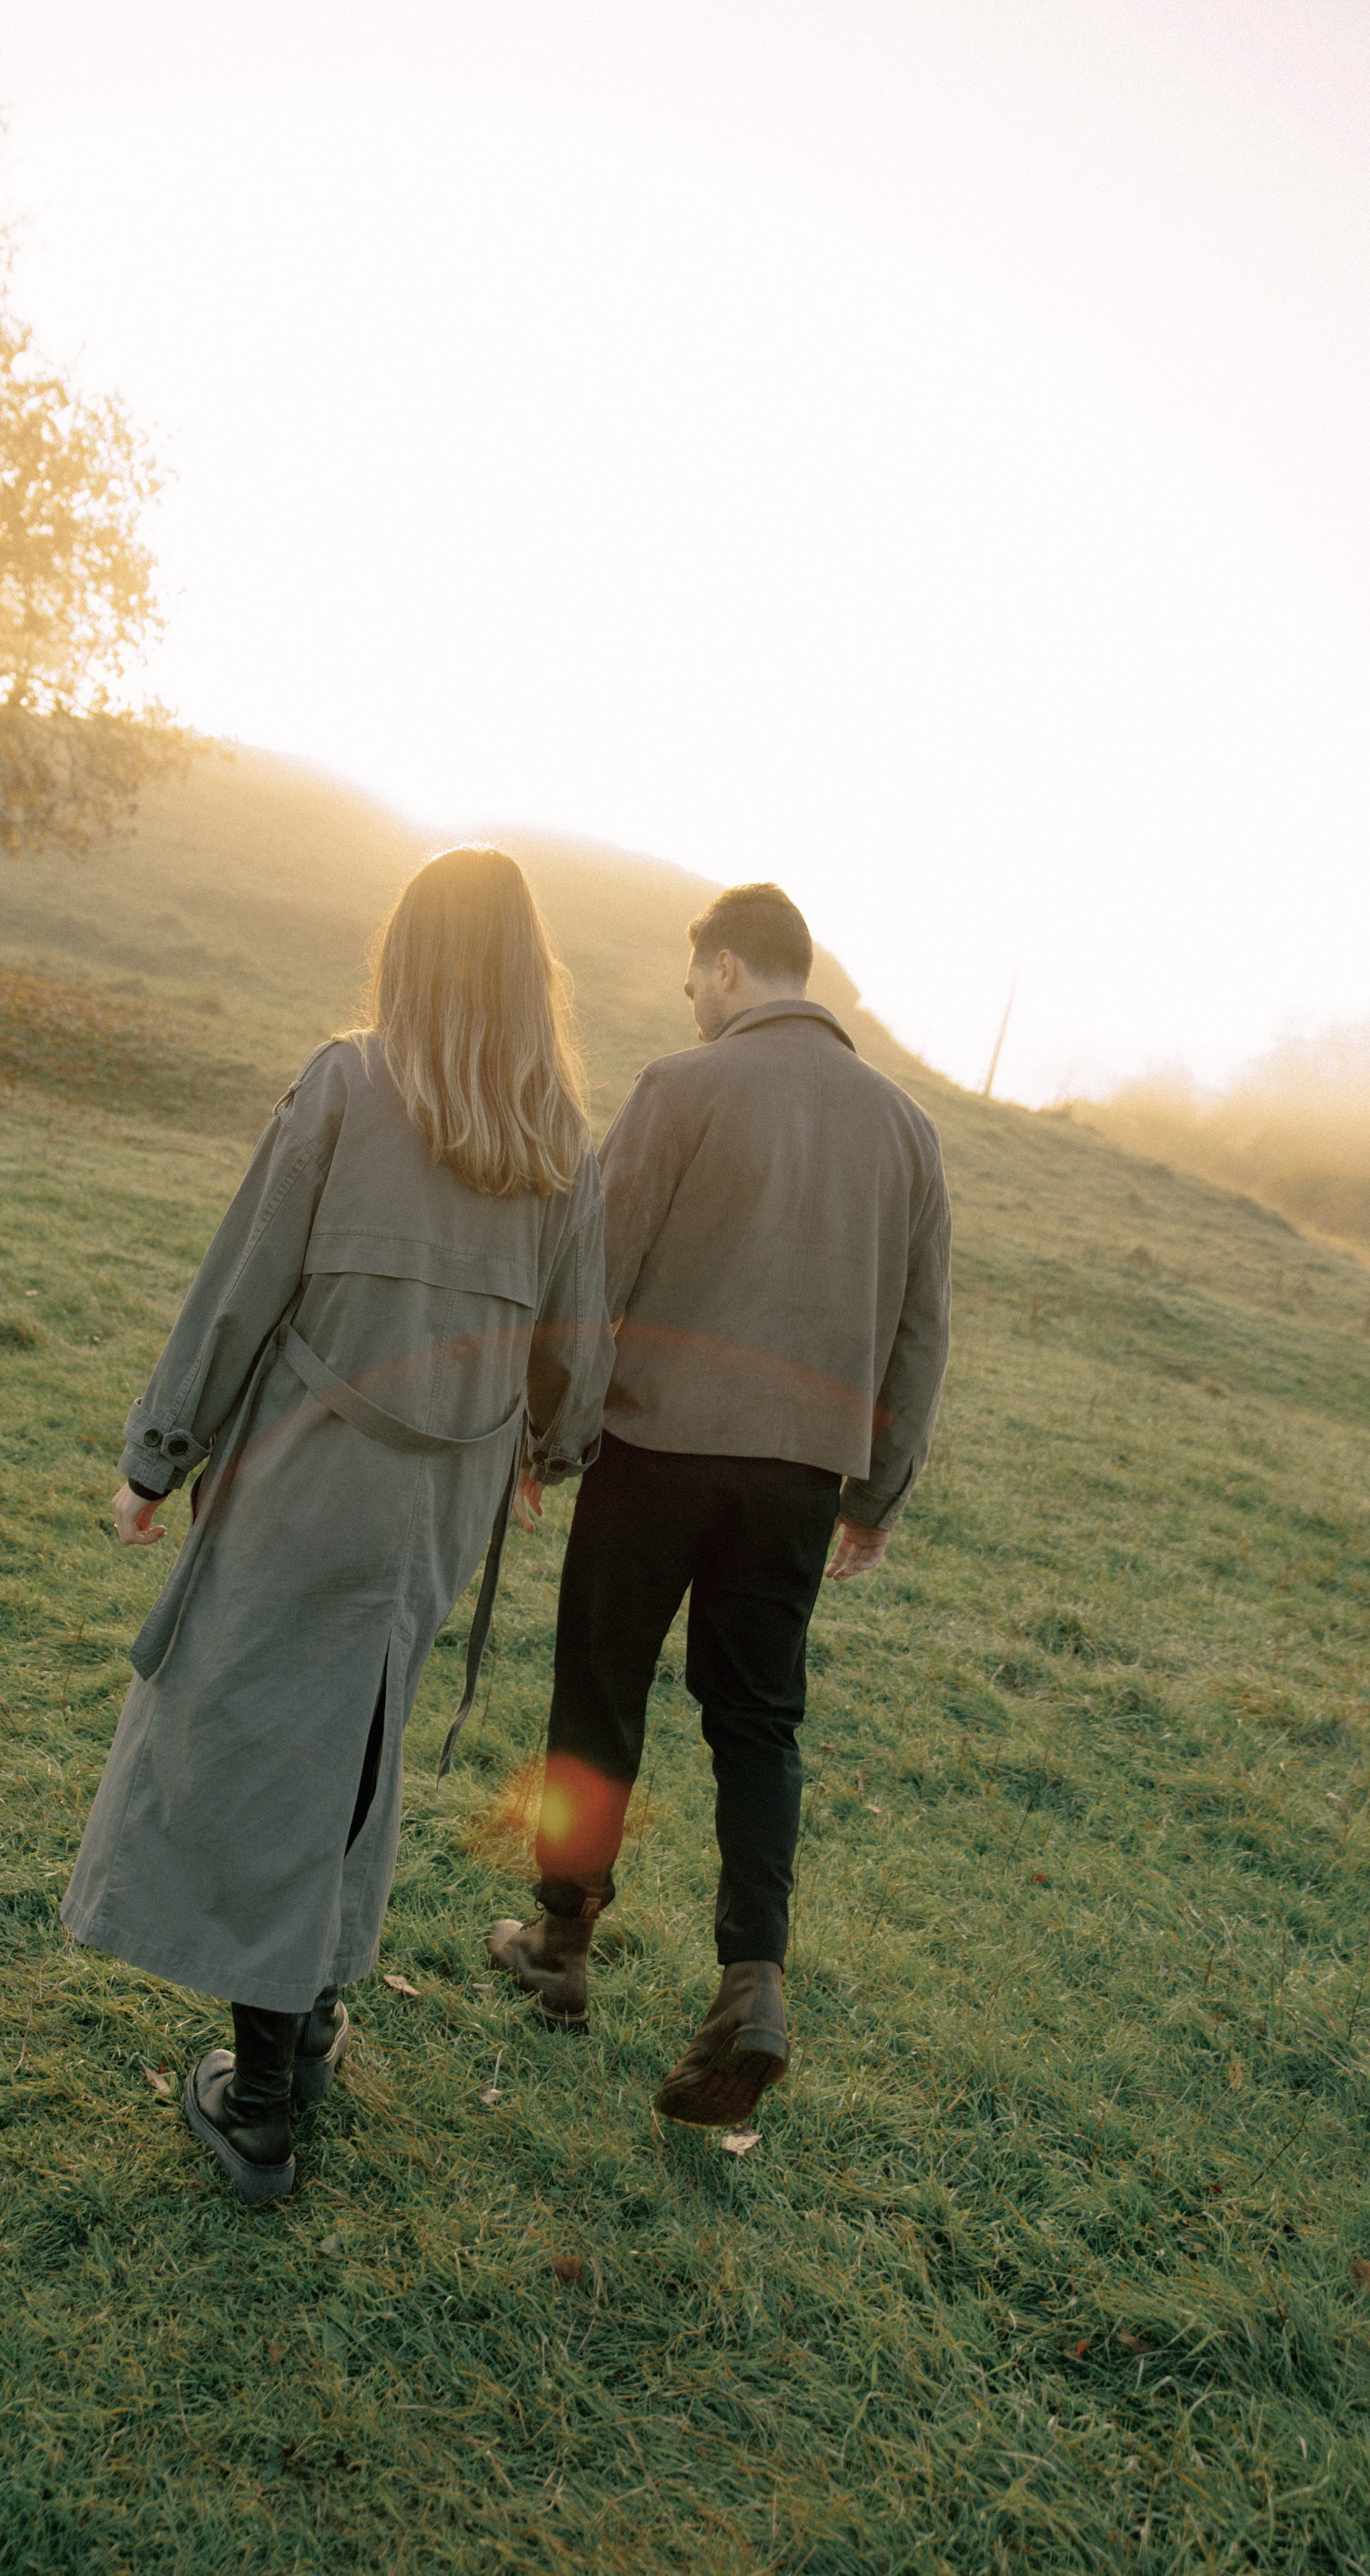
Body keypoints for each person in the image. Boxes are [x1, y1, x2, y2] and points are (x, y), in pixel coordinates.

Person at [64, 848, 613, 2203]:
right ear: (526, 976)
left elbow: (240, 1282)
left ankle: (258, 2106)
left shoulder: (347, 1079)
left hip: (311, 1478)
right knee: (352, 1743)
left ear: (407, 954)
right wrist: (545, 1451)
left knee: (265, 1752)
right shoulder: (558, 1135)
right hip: (446, 1502)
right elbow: (578, 1343)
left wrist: (154, 1457)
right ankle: (299, 2023)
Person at [488, 881, 951, 2126]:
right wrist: (875, 1495)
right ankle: (752, 1981)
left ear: (734, 970)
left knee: (600, 1688)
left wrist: (549, 1437)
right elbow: (921, 1335)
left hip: (655, 1450)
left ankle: (561, 1944)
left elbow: (596, 1273)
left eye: (697, 976)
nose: (689, 999)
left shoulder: (680, 1089)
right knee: (758, 1722)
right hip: (798, 1480)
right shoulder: (907, 1132)